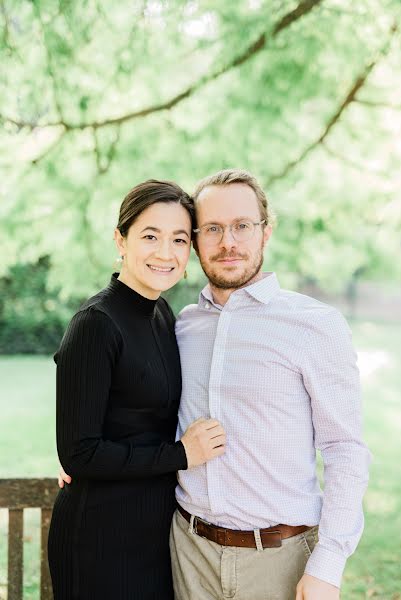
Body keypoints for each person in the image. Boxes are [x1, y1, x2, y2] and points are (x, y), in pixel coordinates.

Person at [169, 169, 371, 600]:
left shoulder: (314, 325)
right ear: (195, 240)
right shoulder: (182, 327)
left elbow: (345, 448)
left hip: (282, 558)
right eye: (213, 229)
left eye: (243, 226)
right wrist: (88, 449)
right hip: (188, 553)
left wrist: (329, 563)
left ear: (266, 232)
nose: (229, 242)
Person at [48, 179, 226, 600]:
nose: (165, 252)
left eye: (179, 239)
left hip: (153, 531)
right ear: (121, 240)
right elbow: (78, 452)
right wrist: (182, 454)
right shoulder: (96, 323)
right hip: (101, 538)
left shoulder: (162, 314)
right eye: (150, 236)